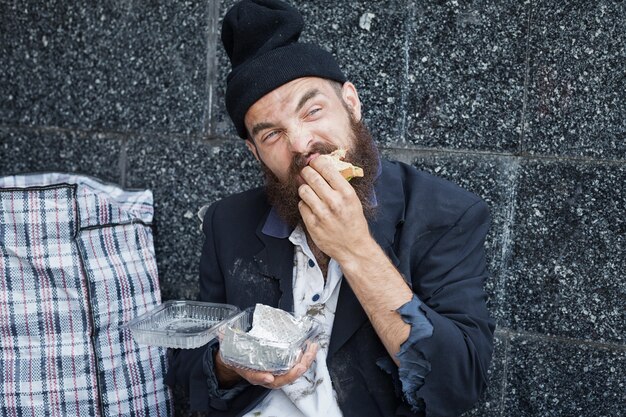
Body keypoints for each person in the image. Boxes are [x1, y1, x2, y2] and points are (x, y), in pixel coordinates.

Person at [165, 0, 495, 416]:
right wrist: (229, 366)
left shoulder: (447, 213)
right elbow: (188, 380)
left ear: (351, 103)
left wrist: (355, 248)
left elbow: (457, 386)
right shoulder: (226, 222)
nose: (302, 144)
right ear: (255, 152)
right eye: (272, 136)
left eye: (313, 111)